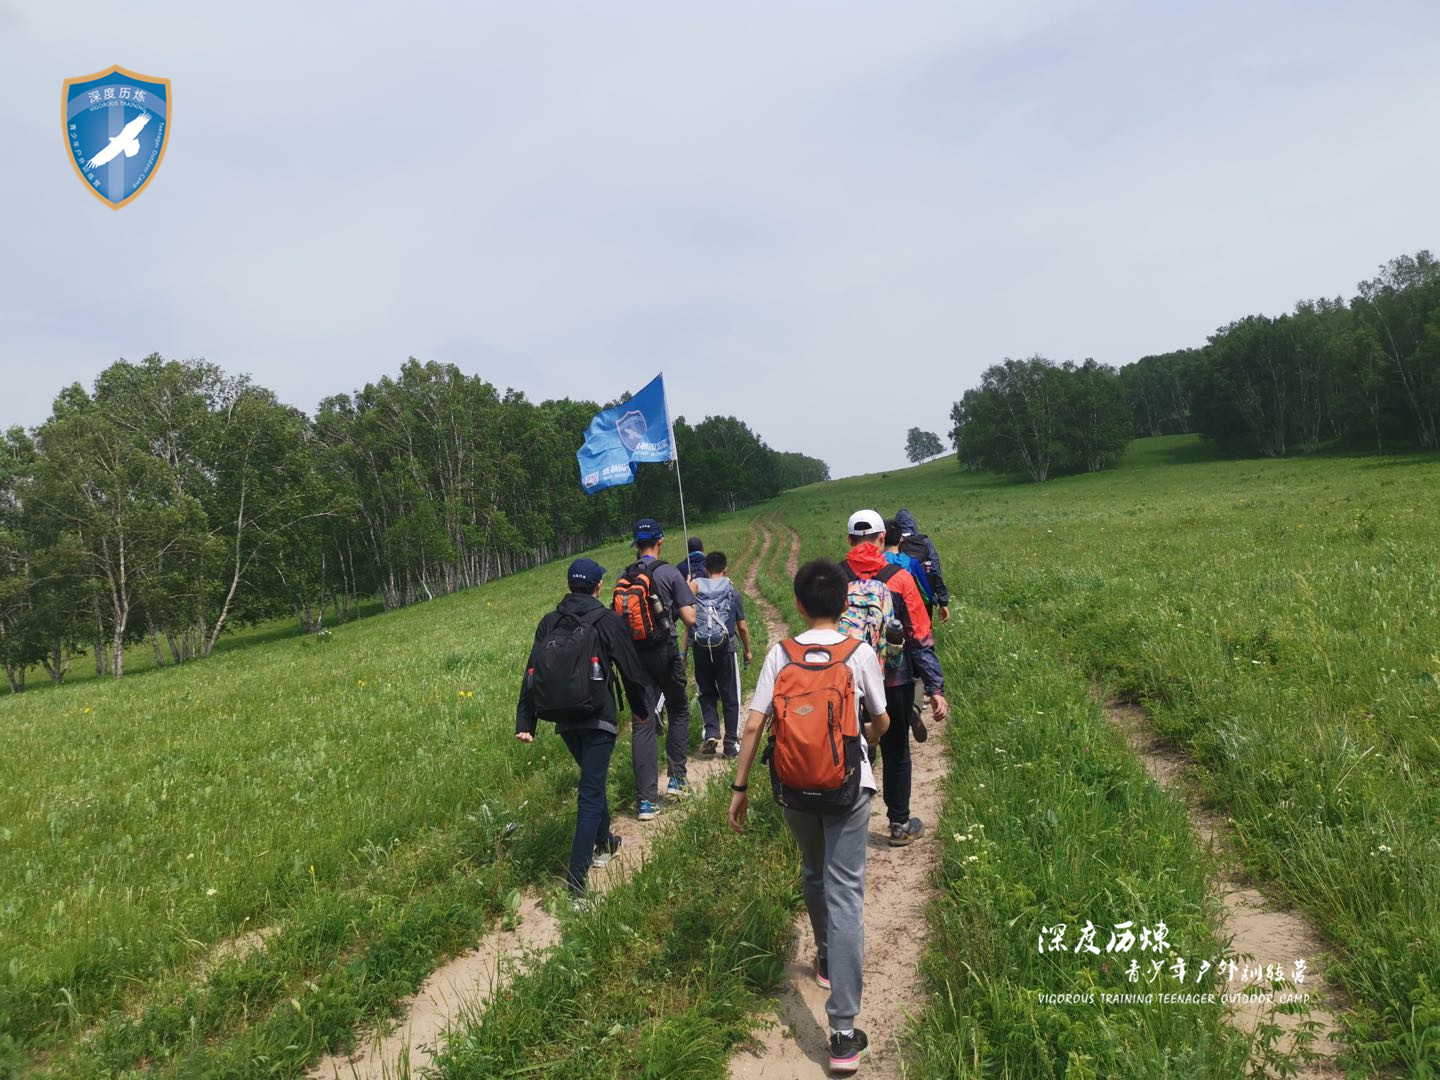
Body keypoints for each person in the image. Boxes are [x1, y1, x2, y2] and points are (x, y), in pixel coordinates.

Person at [728, 559, 890, 1075]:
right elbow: (882, 718)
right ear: (845, 605)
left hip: (793, 789)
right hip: (847, 789)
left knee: (813, 870)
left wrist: (740, 787)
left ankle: (822, 956)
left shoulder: (781, 652)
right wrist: (870, 737)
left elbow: (753, 726)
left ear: (797, 604)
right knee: (846, 893)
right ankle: (842, 1033)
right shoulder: (858, 652)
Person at [515, 558, 655, 902]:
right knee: (590, 793)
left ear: (569, 584)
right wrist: (641, 711)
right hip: (598, 716)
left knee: (593, 781)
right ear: (597, 586)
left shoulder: (549, 621)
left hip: (563, 718)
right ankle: (577, 885)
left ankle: (606, 842)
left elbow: (532, 671)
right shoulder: (605, 619)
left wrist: (526, 722)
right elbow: (630, 669)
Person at [842, 510, 949, 847]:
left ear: (849, 541)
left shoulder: (833, 579)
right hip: (895, 679)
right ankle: (899, 825)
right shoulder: (900, 576)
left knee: (849, 747)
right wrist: (934, 688)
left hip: (846, 683)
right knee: (897, 750)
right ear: (882, 539)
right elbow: (919, 634)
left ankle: (848, 824)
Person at [615, 517, 697, 814]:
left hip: (635, 657)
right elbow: (689, 619)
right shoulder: (670, 572)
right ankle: (677, 779)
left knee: (643, 721)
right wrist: (688, 594)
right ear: (660, 541)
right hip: (664, 651)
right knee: (678, 709)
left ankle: (646, 800)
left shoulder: (624, 577)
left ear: (636, 545)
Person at [690, 550, 753, 758]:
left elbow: (689, 621)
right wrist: (747, 650)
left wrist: (684, 651)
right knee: (730, 696)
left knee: (706, 692)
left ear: (706, 570)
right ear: (725, 569)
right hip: (726, 649)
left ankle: (711, 731)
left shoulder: (696, 589)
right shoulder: (731, 592)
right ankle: (730, 744)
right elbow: (742, 626)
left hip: (700, 648)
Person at [883, 520, 930, 744]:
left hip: (882, 630)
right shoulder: (910, 563)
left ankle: (882, 715)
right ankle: (914, 707)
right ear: (901, 539)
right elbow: (926, 593)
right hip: (910, 624)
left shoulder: (876, 565)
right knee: (916, 673)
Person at [893, 509, 950, 623]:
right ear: (913, 524)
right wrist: (943, 602)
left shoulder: (894, 543)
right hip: (925, 595)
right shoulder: (924, 541)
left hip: (900, 596)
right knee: (925, 631)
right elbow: (935, 569)